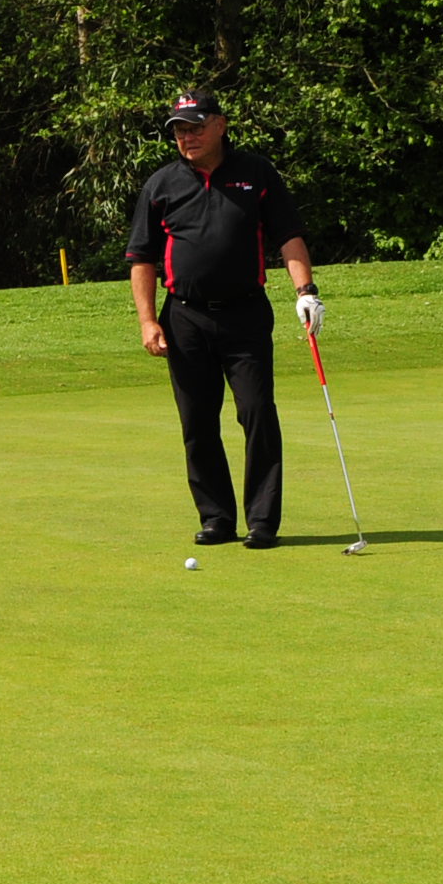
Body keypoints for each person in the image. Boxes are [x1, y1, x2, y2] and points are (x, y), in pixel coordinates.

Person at [125, 91, 318, 547]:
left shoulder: (256, 172)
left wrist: (306, 292)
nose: (186, 137)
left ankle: (262, 521)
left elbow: (288, 235)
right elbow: (141, 258)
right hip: (184, 318)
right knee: (197, 422)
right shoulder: (161, 184)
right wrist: (148, 321)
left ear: (220, 125)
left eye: (194, 127)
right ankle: (216, 518)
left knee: (257, 413)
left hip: (245, 314)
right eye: (179, 130)